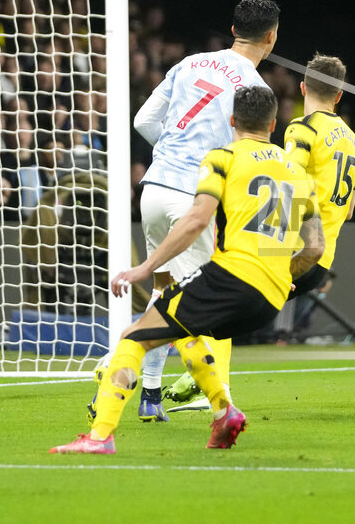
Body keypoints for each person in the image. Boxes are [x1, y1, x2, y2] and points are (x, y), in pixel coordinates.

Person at [51, 85, 323, 454]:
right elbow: (315, 247)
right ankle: (224, 411)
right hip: (271, 298)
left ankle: (100, 436)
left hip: (232, 277)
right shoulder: (299, 172)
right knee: (183, 328)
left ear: (232, 121)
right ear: (274, 124)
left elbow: (197, 219)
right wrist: (283, 275)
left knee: (134, 336)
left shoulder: (223, 157)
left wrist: (145, 267)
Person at [94, 0, 280, 422]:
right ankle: (211, 399)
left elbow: (144, 120)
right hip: (191, 198)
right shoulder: (257, 90)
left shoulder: (189, 64)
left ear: (233, 30)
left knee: (164, 292)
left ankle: (152, 396)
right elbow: (247, 155)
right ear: (271, 37)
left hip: (154, 190)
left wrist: (172, 150)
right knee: (202, 304)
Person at [280, 53, 355, 298]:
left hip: (293, 251)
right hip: (321, 262)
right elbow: (348, 211)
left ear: (303, 88)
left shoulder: (303, 128)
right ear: (338, 96)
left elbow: (289, 187)